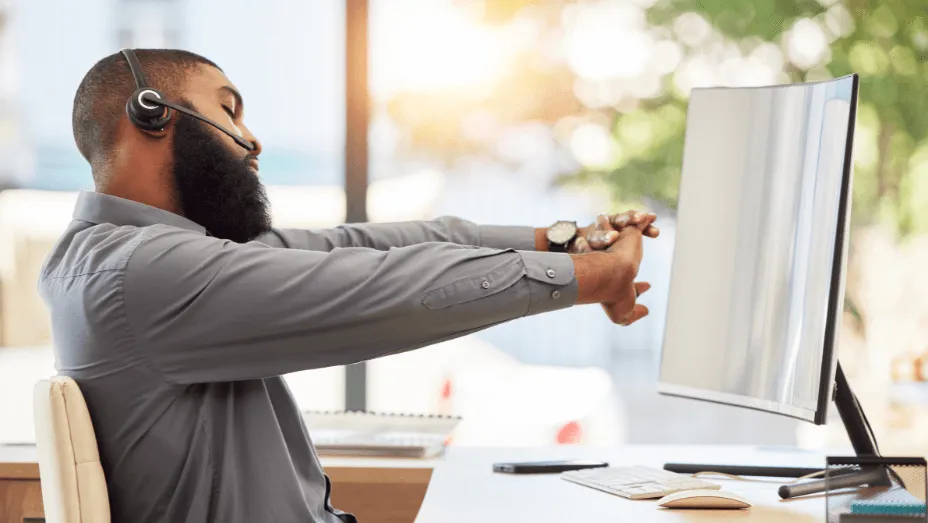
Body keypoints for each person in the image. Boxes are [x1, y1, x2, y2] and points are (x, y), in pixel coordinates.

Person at [39, 49, 659, 523]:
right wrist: (596, 277)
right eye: (228, 110)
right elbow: (390, 287)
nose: (251, 141)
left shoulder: (133, 258)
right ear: (151, 114)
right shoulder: (145, 274)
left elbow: (366, 247)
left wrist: (561, 241)